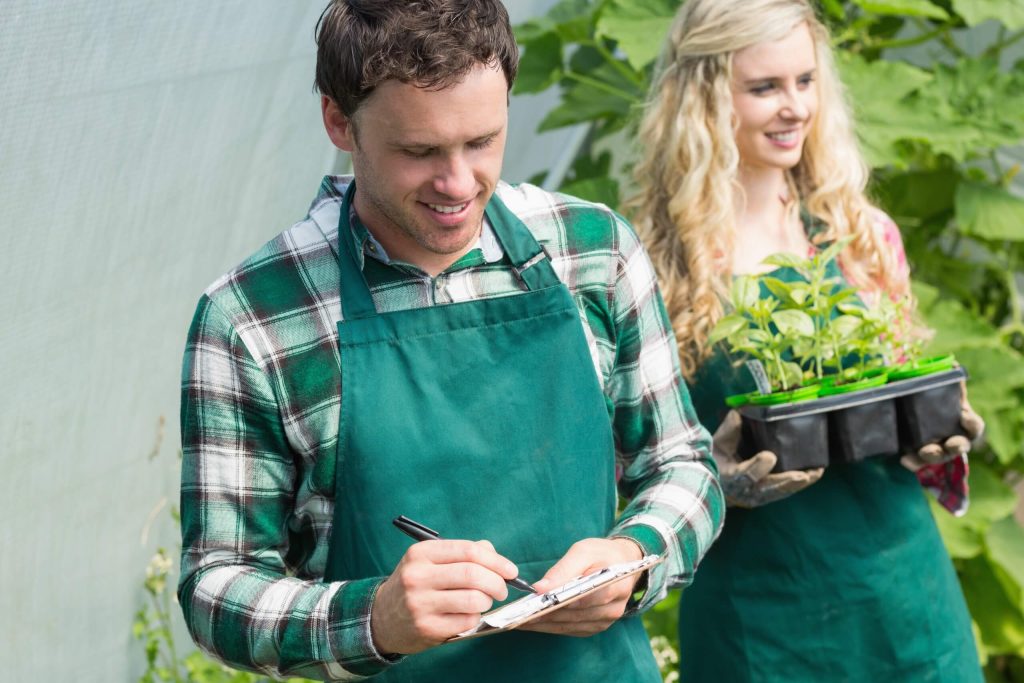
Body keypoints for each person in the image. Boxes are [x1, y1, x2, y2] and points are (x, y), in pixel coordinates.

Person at [178, 1, 724, 681]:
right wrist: (375, 616)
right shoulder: (252, 316)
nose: (459, 183)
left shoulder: (592, 251)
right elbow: (216, 585)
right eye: (420, 151)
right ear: (339, 122)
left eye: (483, 142)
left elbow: (682, 463)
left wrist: (637, 554)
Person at [629, 0, 984, 680]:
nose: (794, 106)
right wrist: (715, 480)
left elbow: (905, 399)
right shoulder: (655, 266)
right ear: (703, 99)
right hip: (760, 618)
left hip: (904, 597)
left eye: (805, 80)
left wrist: (940, 433)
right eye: (765, 87)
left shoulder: (860, 236)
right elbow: (629, 459)